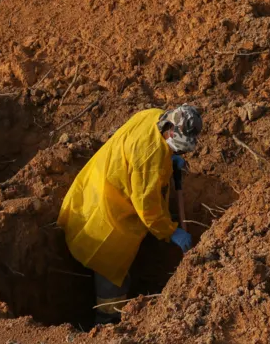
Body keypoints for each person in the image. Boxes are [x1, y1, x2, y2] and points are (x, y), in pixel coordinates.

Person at [58, 105, 201, 325]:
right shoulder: (149, 158)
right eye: (177, 147)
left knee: (115, 269)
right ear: (170, 131)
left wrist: (168, 159)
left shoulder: (153, 116)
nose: (178, 151)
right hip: (105, 216)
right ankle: (107, 321)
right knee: (111, 272)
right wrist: (171, 231)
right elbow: (148, 208)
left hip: (96, 186)